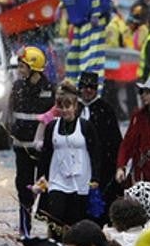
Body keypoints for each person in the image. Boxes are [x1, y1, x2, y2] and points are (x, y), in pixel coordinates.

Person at [38, 84, 105, 233]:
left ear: (75, 107)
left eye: (68, 107)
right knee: (55, 215)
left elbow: (95, 153)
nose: (65, 110)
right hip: (57, 179)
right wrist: (41, 177)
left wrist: (95, 178)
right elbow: (46, 154)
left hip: (81, 180)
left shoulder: (86, 126)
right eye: (61, 107)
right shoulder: (52, 127)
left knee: (76, 219)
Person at [10, 46, 56, 238]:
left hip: (43, 149)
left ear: (34, 68)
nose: (20, 70)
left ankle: (51, 229)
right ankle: (25, 228)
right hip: (22, 149)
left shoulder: (50, 90)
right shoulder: (18, 87)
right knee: (23, 187)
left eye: (23, 66)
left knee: (47, 187)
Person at [77, 71, 123, 214]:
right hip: (77, 162)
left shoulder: (106, 109)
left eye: (92, 87)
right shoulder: (73, 108)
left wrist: (118, 165)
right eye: (85, 87)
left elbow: (115, 140)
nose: (88, 90)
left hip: (102, 164)